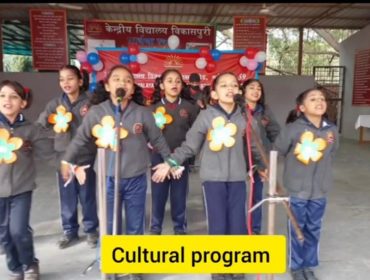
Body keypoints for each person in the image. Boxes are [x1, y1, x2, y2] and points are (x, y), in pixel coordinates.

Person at [61, 65, 172, 280]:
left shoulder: (142, 112)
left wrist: (171, 162)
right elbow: (81, 138)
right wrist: (67, 160)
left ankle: (134, 266)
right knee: (110, 224)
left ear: (132, 89)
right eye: (117, 79)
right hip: (107, 178)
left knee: (135, 223)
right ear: (107, 85)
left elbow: (157, 139)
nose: (122, 83)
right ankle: (109, 264)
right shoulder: (96, 112)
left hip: (136, 177)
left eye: (128, 80)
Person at [152, 72, 266, 280]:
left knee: (238, 223)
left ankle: (237, 266)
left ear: (239, 91)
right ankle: (219, 269)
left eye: (233, 85)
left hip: (238, 179)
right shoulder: (207, 116)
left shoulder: (245, 117)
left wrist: (263, 166)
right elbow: (190, 145)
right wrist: (170, 163)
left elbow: (254, 147)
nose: (229, 89)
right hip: (213, 179)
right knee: (218, 224)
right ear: (214, 92)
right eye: (223, 85)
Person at [274, 88, 339, 280]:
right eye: (313, 99)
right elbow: (277, 150)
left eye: (322, 99)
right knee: (297, 227)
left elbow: (333, 152)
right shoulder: (293, 129)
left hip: (320, 189)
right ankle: (296, 266)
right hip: (297, 190)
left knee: (313, 227)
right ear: (302, 107)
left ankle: (309, 265)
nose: (319, 102)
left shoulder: (331, 130)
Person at [37, 65, 99, 249]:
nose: (66, 82)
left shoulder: (90, 102)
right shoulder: (55, 105)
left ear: (80, 81)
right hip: (63, 158)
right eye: (62, 79)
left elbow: (101, 124)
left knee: (87, 195)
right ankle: (70, 231)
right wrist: (54, 127)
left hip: (85, 157)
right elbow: (40, 125)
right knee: (67, 196)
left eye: (70, 78)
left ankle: (90, 230)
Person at [0, 80, 53, 280]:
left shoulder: (31, 130)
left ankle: (30, 263)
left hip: (22, 189)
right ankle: (15, 267)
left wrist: (68, 165)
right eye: (3, 95)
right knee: (4, 235)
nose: (7, 100)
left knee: (19, 230)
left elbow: (48, 154)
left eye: (14, 96)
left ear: (22, 103)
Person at [149, 69, 198, 235]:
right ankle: (155, 228)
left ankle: (179, 228)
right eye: (169, 81)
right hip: (158, 160)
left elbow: (195, 134)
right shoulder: (152, 109)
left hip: (180, 160)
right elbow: (147, 136)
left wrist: (183, 158)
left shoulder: (189, 108)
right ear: (162, 85)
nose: (174, 84)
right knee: (158, 195)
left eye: (177, 81)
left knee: (179, 196)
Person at [241, 79, 281, 234]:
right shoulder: (238, 110)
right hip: (239, 159)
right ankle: (239, 229)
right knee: (238, 197)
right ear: (243, 90)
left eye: (259, 88)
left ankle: (254, 230)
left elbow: (275, 133)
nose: (256, 91)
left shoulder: (265, 111)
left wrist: (270, 157)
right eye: (252, 88)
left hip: (261, 161)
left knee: (256, 196)